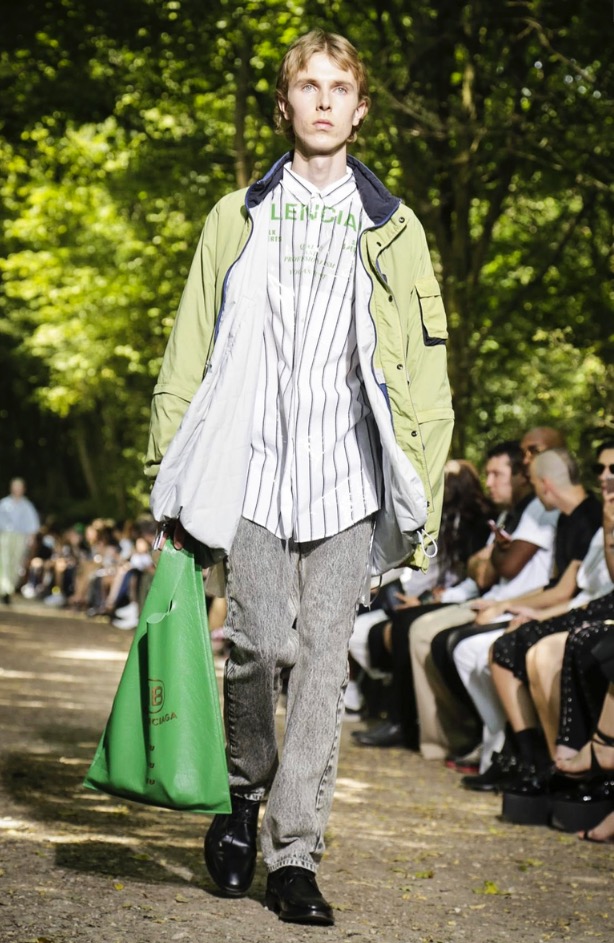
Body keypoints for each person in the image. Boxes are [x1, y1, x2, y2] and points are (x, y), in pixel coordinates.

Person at [145, 30, 453, 926]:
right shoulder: (236, 217)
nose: (323, 100)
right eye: (307, 87)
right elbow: (189, 346)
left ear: (360, 110)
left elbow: (426, 376)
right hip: (251, 470)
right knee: (255, 648)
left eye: (339, 88)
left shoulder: (395, 228)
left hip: (350, 476)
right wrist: (165, 471)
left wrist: (423, 499)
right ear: (285, 106)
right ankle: (244, 792)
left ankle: (293, 853)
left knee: (322, 664)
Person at [0, 477, 40, 604]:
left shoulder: (27, 506)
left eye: (20, 488)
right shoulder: (4, 504)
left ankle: (9, 588)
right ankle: (4, 589)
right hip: (5, 536)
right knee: (4, 562)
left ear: (23, 489)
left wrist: (31, 538)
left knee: (16, 563)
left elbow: (33, 525)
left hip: (21, 537)